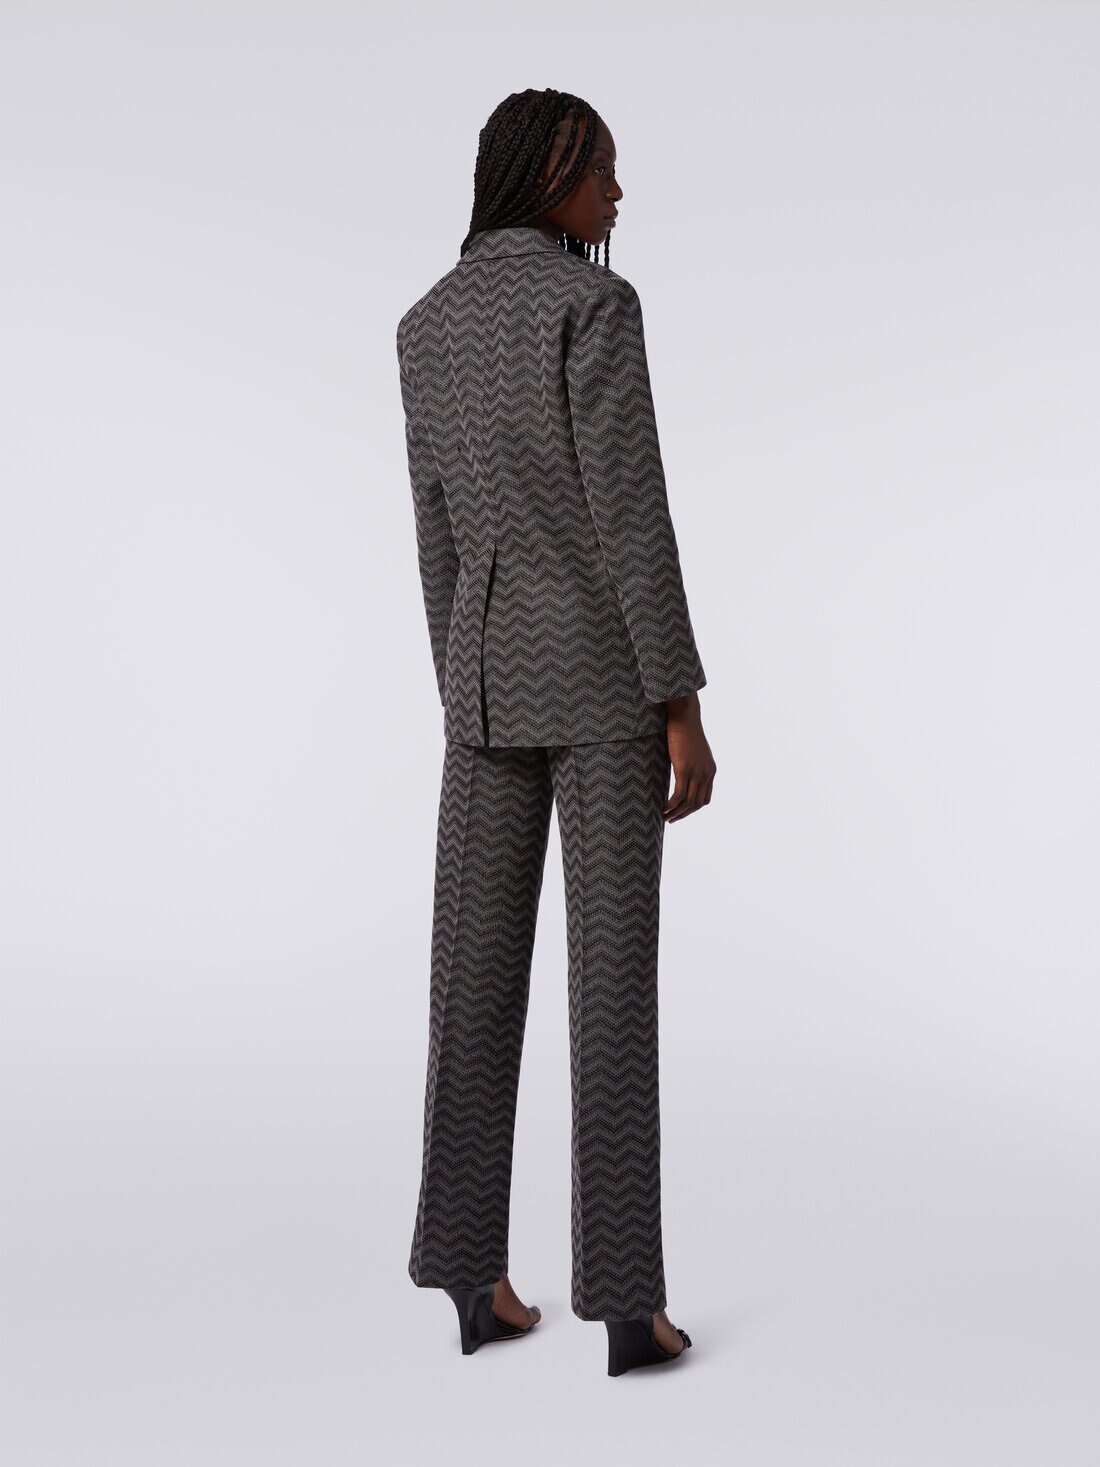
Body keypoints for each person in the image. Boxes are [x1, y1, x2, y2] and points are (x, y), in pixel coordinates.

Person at [396, 87, 716, 1377]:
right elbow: (631, 516)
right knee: (611, 995)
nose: (619, 196)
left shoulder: (425, 325)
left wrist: (460, 681)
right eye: (605, 172)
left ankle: (469, 1275)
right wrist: (680, 701)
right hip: (601, 692)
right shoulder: (595, 306)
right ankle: (629, 1309)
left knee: (468, 991)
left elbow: (436, 535)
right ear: (552, 174)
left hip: (480, 692)